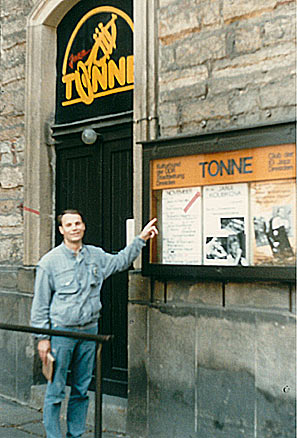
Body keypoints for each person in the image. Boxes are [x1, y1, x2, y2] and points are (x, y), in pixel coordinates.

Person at [30, 210, 158, 438]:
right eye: (69, 225)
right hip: (61, 333)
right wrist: (42, 339)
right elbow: (40, 304)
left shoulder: (95, 256)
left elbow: (120, 261)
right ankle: (53, 436)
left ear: (83, 226)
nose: (74, 228)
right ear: (61, 230)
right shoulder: (49, 263)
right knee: (56, 389)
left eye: (78, 223)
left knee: (81, 389)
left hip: (90, 332)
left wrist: (141, 240)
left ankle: (75, 434)